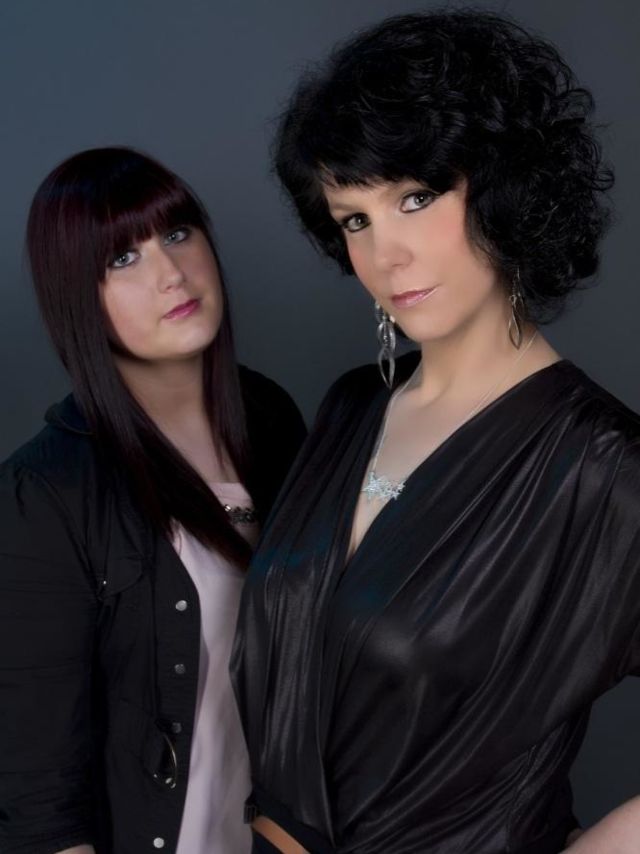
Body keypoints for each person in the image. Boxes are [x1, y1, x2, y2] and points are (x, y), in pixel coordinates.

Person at [231, 10, 640, 853]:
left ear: (504, 186)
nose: (387, 255)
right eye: (355, 220)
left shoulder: (602, 465)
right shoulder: (352, 407)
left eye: (415, 198)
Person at [0, 146, 306, 854]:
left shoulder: (270, 419)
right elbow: (39, 803)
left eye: (177, 233)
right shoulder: (45, 493)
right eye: (122, 259)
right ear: (77, 297)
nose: (170, 273)